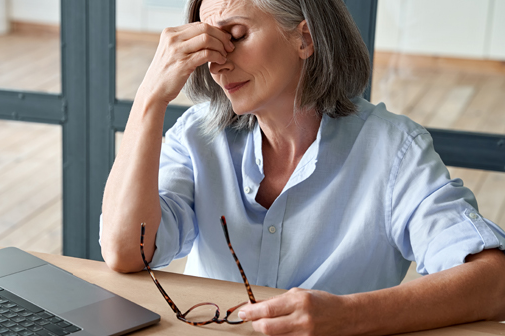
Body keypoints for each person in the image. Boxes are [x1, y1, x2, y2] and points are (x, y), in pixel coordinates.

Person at [100, 0, 505, 334]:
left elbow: (495, 281)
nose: (217, 63)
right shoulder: (197, 136)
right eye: (209, 44)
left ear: (305, 38)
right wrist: (150, 98)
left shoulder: (393, 150)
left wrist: (349, 316)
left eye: (236, 36)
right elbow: (126, 252)